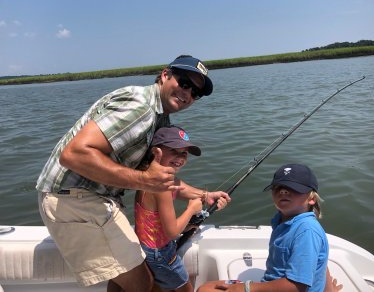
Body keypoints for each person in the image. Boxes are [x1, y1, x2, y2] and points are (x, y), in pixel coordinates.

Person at [36, 55, 231, 292]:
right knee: (141, 283)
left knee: (126, 278)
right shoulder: (140, 107)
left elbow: (159, 180)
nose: (188, 94)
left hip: (97, 199)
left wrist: (203, 195)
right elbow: (74, 154)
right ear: (165, 74)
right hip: (75, 199)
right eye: (185, 83)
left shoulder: (160, 119)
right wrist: (144, 180)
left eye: (195, 93)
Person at [197, 163, 343, 292]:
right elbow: (319, 263)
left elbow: (297, 286)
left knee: (205, 291)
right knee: (208, 287)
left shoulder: (306, 231)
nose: (283, 191)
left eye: (293, 188)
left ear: (312, 199)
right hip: (270, 283)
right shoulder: (283, 221)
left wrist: (247, 288)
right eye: (278, 187)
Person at [135, 125, 211, 292]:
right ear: (156, 152)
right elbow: (172, 232)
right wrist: (192, 208)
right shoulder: (163, 186)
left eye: (184, 153)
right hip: (160, 253)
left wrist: (206, 195)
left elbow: (156, 219)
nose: (180, 157)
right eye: (174, 151)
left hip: (147, 247)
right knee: (186, 288)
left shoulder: (146, 177)